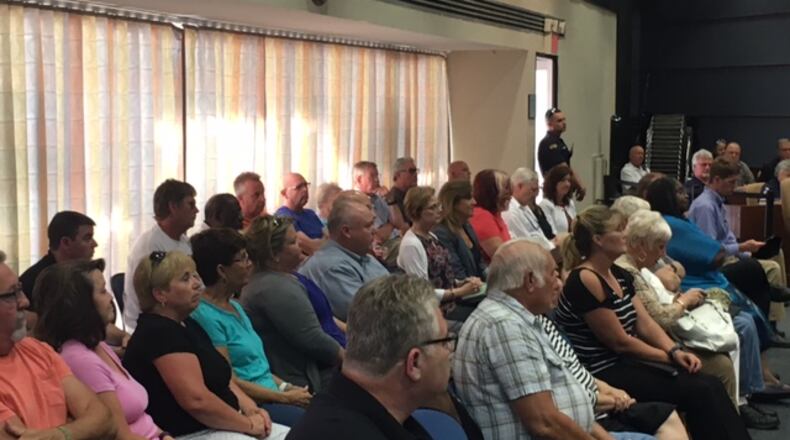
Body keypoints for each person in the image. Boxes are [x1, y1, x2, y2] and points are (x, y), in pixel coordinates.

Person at [554, 205, 750, 440]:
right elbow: (620, 342)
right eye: (619, 229)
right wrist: (669, 357)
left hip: (626, 362)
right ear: (598, 239)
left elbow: (644, 324)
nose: (625, 235)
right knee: (701, 389)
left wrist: (675, 349)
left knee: (708, 384)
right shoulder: (585, 279)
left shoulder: (618, 273)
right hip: (605, 371)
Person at [615, 210, 784, 429]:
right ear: (639, 244)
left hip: (669, 332)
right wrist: (682, 305)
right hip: (661, 339)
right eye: (659, 247)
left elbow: (677, 273)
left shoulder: (644, 263)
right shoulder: (631, 272)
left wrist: (675, 286)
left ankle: (739, 408)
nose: (663, 253)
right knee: (726, 351)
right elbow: (655, 319)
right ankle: (734, 418)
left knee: (733, 331)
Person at [123, 251, 289, 439]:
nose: (196, 284)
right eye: (185, 279)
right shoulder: (158, 332)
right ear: (160, 294)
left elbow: (223, 380)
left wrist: (251, 409)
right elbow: (197, 401)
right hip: (193, 432)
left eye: (194, 275)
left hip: (224, 422)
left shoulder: (187, 323)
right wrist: (248, 425)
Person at [286, 275, 453, 439]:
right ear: (414, 363)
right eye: (445, 341)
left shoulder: (342, 409)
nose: (450, 351)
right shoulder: (347, 429)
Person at [34, 259, 172, 439]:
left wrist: (164, 436)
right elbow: (120, 436)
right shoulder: (79, 359)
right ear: (83, 305)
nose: (110, 297)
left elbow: (145, 421)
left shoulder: (97, 344)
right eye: (102, 291)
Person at [190, 228, 311, 427]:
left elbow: (257, 366)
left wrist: (287, 387)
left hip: (273, 394)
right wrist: (285, 398)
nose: (250, 265)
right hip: (252, 404)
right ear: (221, 270)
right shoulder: (205, 316)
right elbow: (229, 380)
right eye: (243, 259)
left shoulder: (235, 306)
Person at [0, 250, 115, 439]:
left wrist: (60, 434)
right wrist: (79, 426)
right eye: (12, 294)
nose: (25, 301)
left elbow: (105, 420)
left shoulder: (37, 349)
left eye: (20, 290)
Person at [241, 216, 344, 393]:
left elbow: (326, 318)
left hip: (327, 364)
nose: (300, 245)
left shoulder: (287, 277)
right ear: (274, 255)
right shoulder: (272, 287)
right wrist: (351, 362)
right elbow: (313, 339)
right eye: (293, 242)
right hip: (307, 378)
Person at [688, 158, 790, 306]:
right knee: (772, 268)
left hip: (728, 257)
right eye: (731, 182)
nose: (734, 187)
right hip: (716, 266)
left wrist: (748, 253)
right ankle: (770, 320)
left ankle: (773, 310)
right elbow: (711, 250)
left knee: (776, 253)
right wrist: (743, 248)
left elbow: (728, 239)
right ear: (716, 180)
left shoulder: (718, 202)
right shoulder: (706, 206)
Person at [123, 179, 198, 332]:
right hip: (152, 324)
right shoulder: (151, 245)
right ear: (173, 207)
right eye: (190, 204)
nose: (196, 210)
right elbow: (152, 298)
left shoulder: (184, 241)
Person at [299, 196, 389, 320]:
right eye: (368, 226)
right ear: (346, 232)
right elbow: (368, 315)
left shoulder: (362, 255)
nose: (374, 230)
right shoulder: (332, 267)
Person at [397, 186, 482, 309]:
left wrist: (461, 283)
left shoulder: (431, 236)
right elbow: (421, 292)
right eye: (432, 207)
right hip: (433, 313)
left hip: (449, 304)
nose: (440, 210)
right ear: (416, 212)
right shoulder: (411, 244)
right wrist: (459, 291)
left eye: (438, 205)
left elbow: (440, 277)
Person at [19, 211, 97, 314]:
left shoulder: (81, 273)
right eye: (87, 238)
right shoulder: (37, 281)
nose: (95, 244)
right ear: (66, 243)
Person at [432, 180, 487, 281]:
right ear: (454, 202)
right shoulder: (442, 232)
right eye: (469, 198)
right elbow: (456, 272)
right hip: (463, 291)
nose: (474, 202)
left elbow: (480, 263)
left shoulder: (467, 226)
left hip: (478, 286)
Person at [503, 167, 563, 252]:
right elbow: (526, 242)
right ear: (520, 186)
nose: (536, 194)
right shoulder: (511, 211)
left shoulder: (525, 207)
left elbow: (538, 233)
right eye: (533, 189)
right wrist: (552, 245)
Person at [537, 107, 586, 200]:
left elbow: (567, 165)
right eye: (559, 121)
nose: (563, 123)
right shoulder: (549, 143)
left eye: (564, 119)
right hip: (554, 192)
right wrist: (580, 186)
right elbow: (563, 168)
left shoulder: (559, 141)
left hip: (563, 192)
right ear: (549, 124)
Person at [274, 172, 327, 255]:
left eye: (305, 185)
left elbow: (330, 239)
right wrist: (322, 243)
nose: (305, 190)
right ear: (284, 193)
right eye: (298, 187)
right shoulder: (282, 217)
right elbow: (309, 246)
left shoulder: (310, 213)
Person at [469, 169, 512, 262]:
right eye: (505, 189)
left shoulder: (496, 215)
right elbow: (503, 256)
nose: (510, 194)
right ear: (490, 192)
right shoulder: (481, 216)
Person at [539, 164, 577, 234]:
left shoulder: (570, 203)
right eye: (563, 180)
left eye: (569, 181)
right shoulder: (545, 205)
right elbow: (551, 233)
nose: (567, 184)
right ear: (554, 183)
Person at [386, 157, 419, 228]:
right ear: (397, 175)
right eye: (411, 171)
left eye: (416, 171)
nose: (415, 175)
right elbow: (401, 226)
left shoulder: (413, 195)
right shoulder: (392, 198)